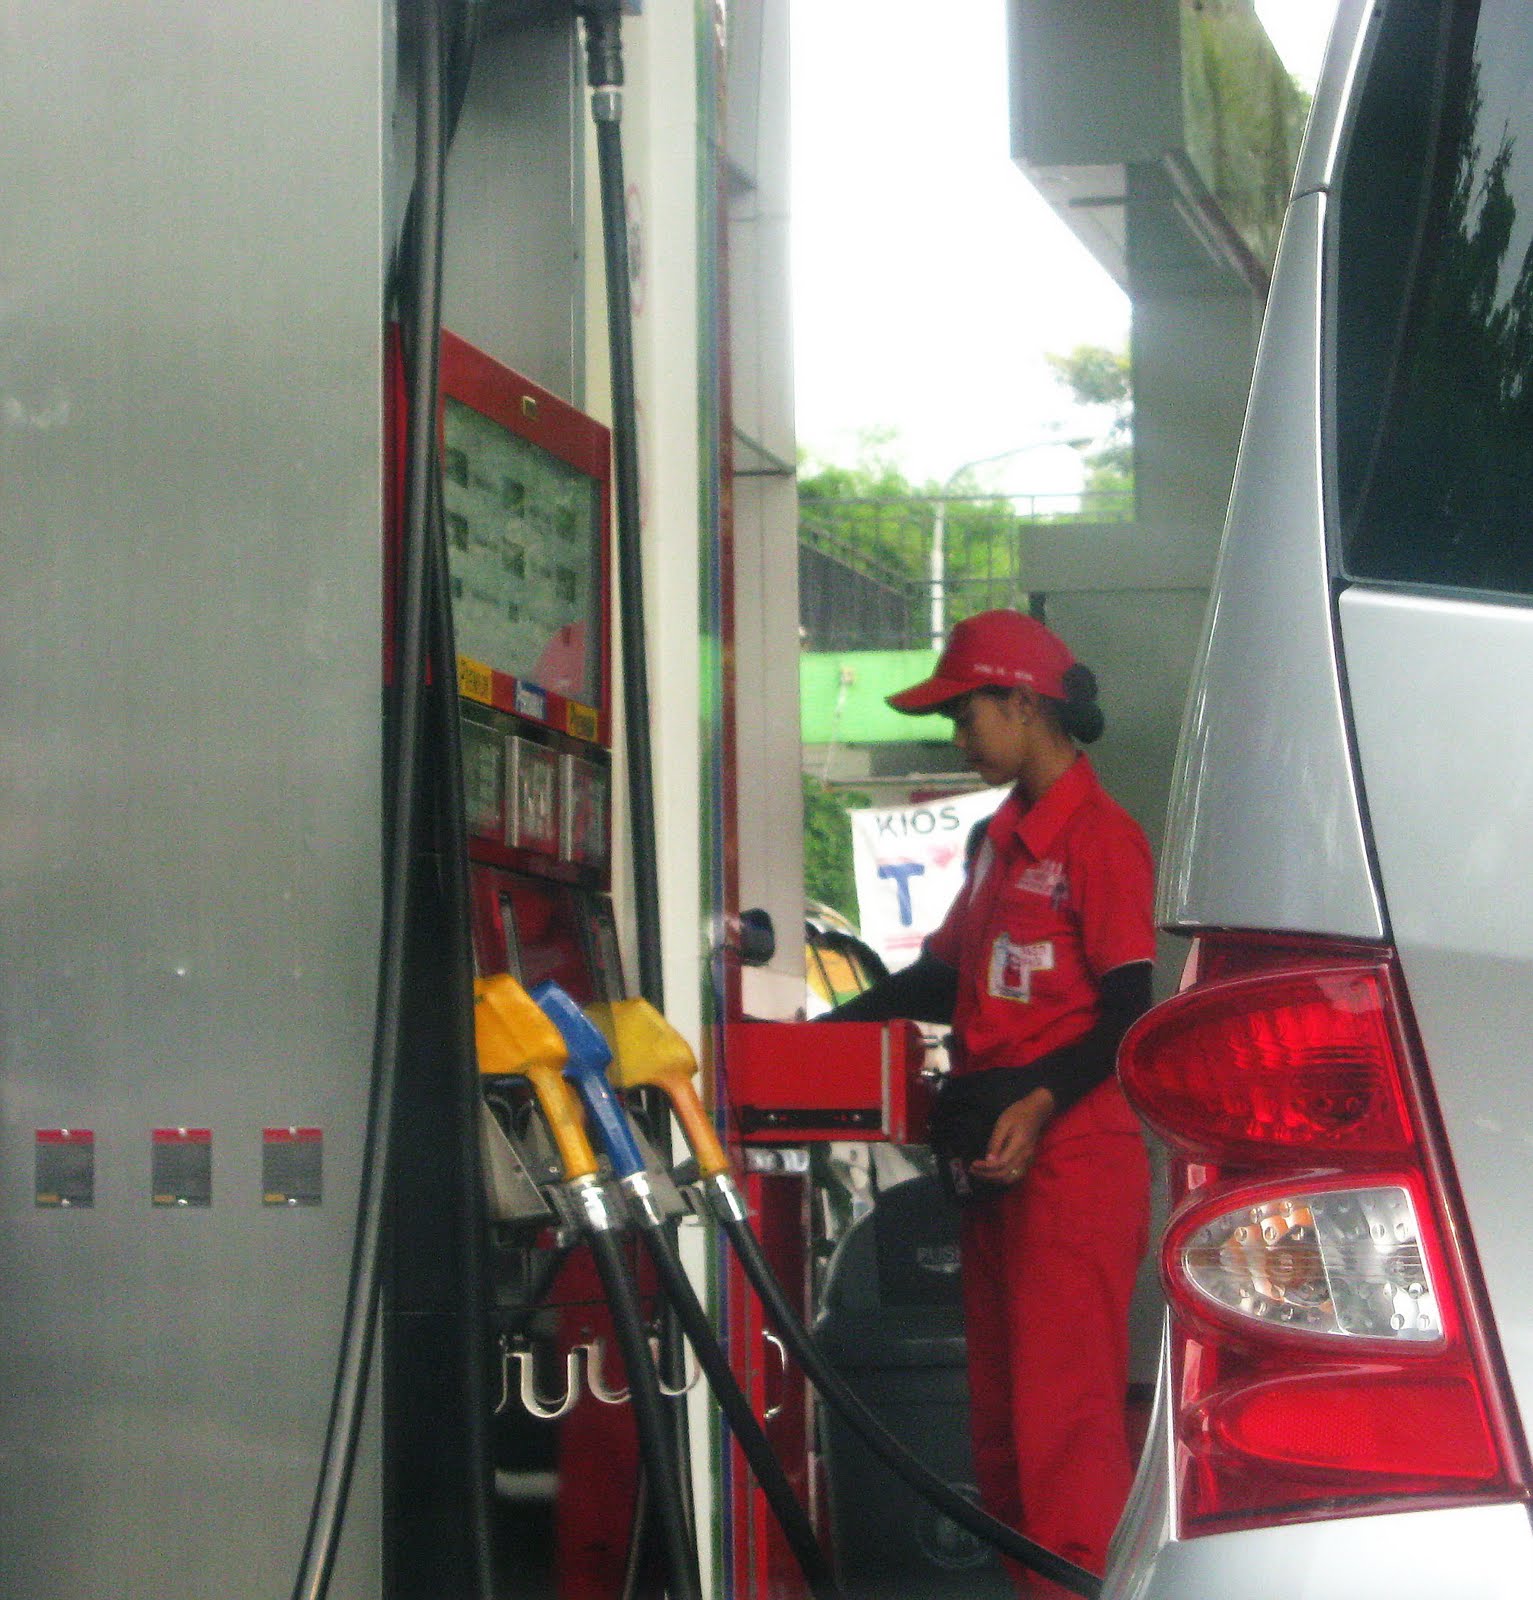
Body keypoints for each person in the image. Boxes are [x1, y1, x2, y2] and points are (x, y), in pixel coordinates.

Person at [826, 608, 1153, 1597]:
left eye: (965, 714)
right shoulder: (996, 841)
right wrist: (819, 1033)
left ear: (1022, 700)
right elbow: (940, 979)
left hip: (1073, 1164)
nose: (957, 738)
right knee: (1002, 1434)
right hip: (992, 1161)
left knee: (1065, 1425)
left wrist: (1042, 1101)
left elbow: (1133, 1014)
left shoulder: (1103, 840)